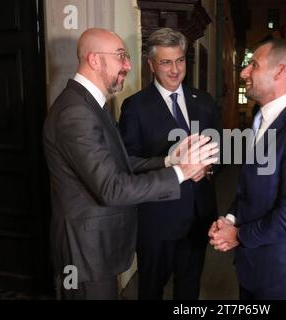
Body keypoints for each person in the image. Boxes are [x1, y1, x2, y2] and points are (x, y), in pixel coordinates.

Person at [43, 28, 218, 300]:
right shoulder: (76, 113)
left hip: (98, 248)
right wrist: (180, 171)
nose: (127, 64)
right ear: (95, 60)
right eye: (121, 56)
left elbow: (120, 165)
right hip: (85, 252)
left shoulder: (92, 106)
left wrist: (170, 159)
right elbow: (112, 188)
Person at [208, 39, 286, 300]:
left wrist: (238, 235)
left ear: (280, 71)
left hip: (279, 268)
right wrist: (229, 219)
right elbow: (251, 186)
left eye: (253, 65)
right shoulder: (260, 116)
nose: (243, 72)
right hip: (251, 261)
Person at [118, 28, 221, 300]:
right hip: (157, 222)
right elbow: (127, 162)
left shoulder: (205, 102)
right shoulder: (135, 107)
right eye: (166, 62)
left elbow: (220, 153)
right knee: (151, 290)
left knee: (189, 290)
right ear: (152, 64)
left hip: (198, 219)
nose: (175, 69)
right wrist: (171, 164)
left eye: (180, 60)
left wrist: (208, 168)